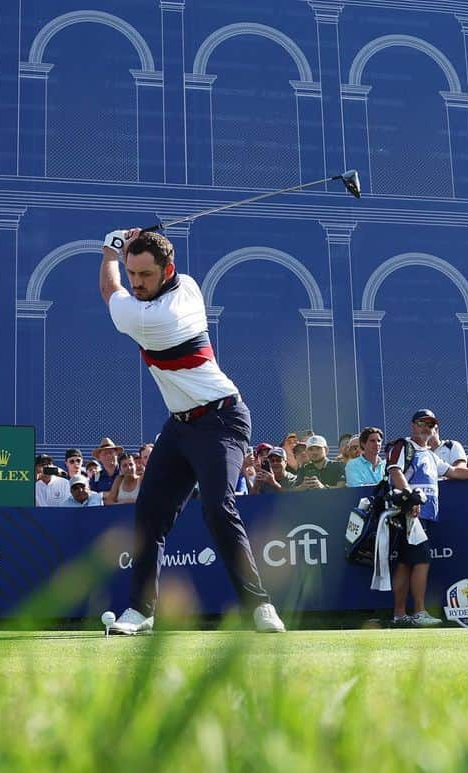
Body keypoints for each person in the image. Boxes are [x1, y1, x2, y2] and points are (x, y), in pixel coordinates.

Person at [99, 227, 283, 634]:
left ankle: (260, 608)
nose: (137, 283)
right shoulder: (188, 286)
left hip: (222, 420)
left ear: (168, 271)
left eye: (145, 275)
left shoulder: (153, 317)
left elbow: (110, 291)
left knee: (218, 507)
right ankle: (141, 612)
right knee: (149, 514)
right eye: (132, 273)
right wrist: (130, 250)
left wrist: (111, 251)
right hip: (180, 426)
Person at [380, 410, 468, 627]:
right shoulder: (404, 446)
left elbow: (454, 472)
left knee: (406, 563)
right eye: (422, 423)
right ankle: (416, 612)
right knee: (418, 562)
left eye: (431, 424)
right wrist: (411, 498)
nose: (426, 427)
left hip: (422, 515)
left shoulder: (430, 454)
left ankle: (400, 615)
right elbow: (394, 471)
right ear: (413, 425)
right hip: (408, 514)